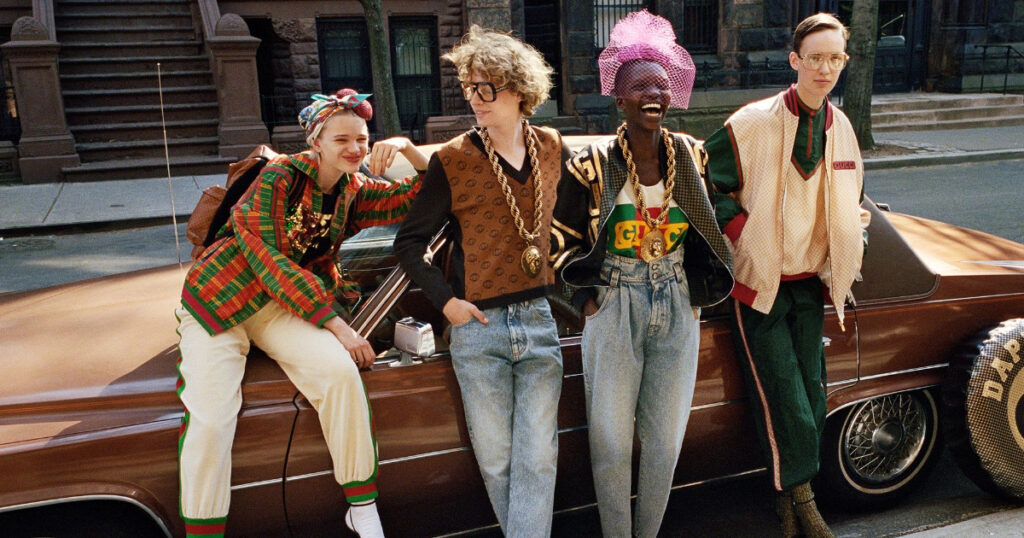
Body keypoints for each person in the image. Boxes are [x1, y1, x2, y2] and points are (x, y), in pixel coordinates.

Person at [175, 89, 427, 538]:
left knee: (339, 375)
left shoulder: (354, 189)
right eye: (341, 140)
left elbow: (417, 196)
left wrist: (410, 149)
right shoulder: (279, 176)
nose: (355, 149)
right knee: (212, 418)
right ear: (317, 142)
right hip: (221, 302)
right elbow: (268, 257)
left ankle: (362, 507)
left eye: (362, 139)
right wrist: (338, 326)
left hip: (277, 308)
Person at [550, 10, 734, 538]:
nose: (653, 94)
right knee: (609, 439)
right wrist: (585, 302)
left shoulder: (692, 156)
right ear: (620, 98)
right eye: (640, 87)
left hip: (676, 298)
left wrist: (702, 286)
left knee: (665, 439)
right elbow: (557, 243)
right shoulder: (591, 165)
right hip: (615, 298)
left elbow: (721, 213)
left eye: (661, 84)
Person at [393, 25, 570, 537]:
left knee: (538, 459)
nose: (475, 100)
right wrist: (447, 303)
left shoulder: (552, 146)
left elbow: (579, 223)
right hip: (478, 326)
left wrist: (584, 289)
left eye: (486, 88)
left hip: (538, 320)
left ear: (519, 90)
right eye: (470, 89)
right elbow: (408, 243)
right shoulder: (452, 159)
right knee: (497, 462)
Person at [702, 12, 870, 538]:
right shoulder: (751, 122)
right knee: (784, 396)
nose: (825, 69)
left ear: (844, 62)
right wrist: (743, 232)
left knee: (813, 397)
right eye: (815, 58)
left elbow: (856, 197)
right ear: (795, 61)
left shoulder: (841, 127)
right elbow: (704, 183)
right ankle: (804, 501)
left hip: (810, 284)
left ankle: (787, 507)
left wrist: (852, 235)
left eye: (835, 58)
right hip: (760, 286)